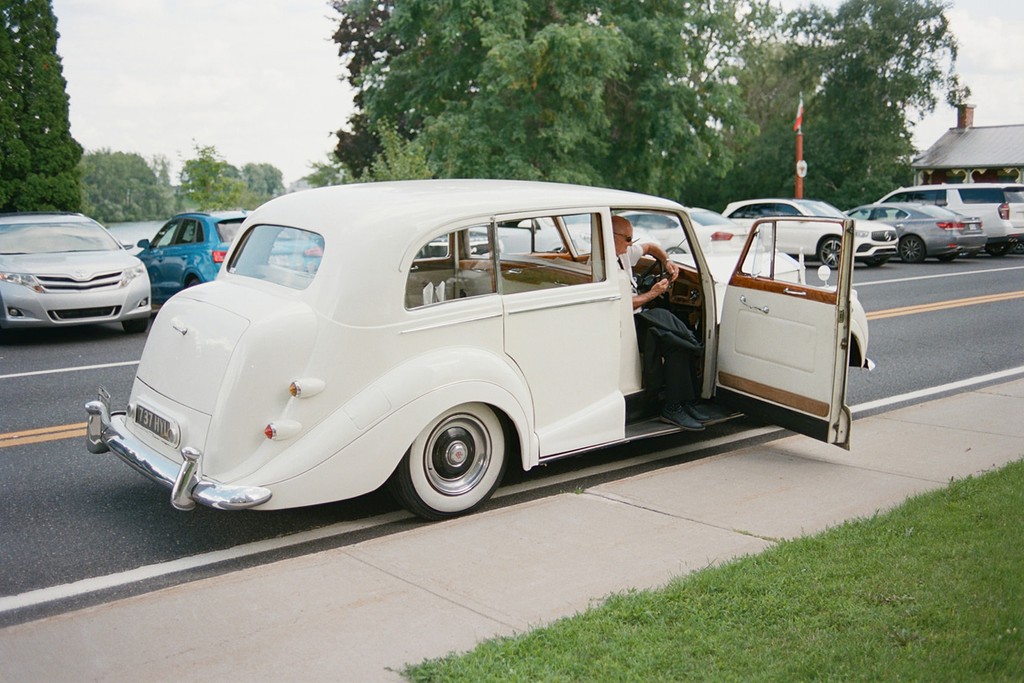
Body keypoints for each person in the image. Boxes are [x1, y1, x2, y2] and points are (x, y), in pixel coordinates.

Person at [613, 215, 709, 431]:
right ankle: (672, 407)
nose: (631, 243)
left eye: (631, 238)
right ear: (612, 237)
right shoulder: (603, 264)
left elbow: (651, 247)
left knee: (684, 329)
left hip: (640, 314)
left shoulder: (625, 253)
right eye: (627, 238)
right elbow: (622, 305)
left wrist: (667, 261)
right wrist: (653, 293)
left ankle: (687, 402)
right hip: (623, 323)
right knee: (673, 342)